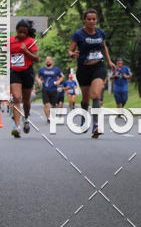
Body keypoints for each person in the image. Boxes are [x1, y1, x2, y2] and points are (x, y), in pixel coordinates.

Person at [69, 9, 115, 137]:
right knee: (85, 99)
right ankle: (84, 119)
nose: (91, 21)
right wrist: (72, 54)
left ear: (96, 20)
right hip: (83, 69)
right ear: (84, 20)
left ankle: (95, 125)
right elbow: (70, 50)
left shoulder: (100, 33)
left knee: (95, 95)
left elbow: (103, 47)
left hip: (98, 67)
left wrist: (109, 61)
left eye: (93, 19)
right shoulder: (78, 34)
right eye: (89, 19)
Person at [9, 19, 39, 137]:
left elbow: (37, 58)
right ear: (16, 30)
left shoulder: (30, 41)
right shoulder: (10, 41)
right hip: (14, 72)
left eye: (24, 33)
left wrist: (26, 51)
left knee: (26, 101)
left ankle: (26, 118)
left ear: (27, 32)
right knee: (16, 98)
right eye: (20, 32)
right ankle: (16, 127)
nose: (22, 34)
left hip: (27, 72)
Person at [36, 56, 64, 121]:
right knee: (46, 104)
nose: (48, 61)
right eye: (47, 59)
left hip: (54, 89)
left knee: (54, 105)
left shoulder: (57, 69)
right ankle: (48, 118)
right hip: (45, 89)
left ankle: (52, 116)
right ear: (45, 61)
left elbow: (62, 77)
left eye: (49, 59)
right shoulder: (41, 69)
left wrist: (58, 81)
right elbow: (37, 76)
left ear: (52, 61)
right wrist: (39, 80)